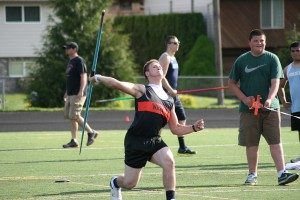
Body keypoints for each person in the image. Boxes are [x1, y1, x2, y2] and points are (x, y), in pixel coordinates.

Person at [89, 59, 205, 200]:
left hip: (154, 140)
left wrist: (193, 128)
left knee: (169, 161)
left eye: (159, 66)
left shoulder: (169, 100)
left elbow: (175, 128)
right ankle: (115, 183)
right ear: (147, 73)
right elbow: (116, 84)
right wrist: (97, 77)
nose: (159, 67)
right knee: (130, 183)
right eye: (154, 66)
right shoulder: (142, 90)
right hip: (136, 140)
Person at [228, 29, 299, 185]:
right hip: (249, 110)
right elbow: (231, 84)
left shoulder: (272, 58)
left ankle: (282, 174)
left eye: (262, 41)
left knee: (275, 142)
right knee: (252, 144)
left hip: (270, 109)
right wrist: (245, 99)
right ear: (249, 42)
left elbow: (276, 83)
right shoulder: (241, 60)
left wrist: (269, 100)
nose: (259, 43)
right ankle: (252, 175)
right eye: (256, 41)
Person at [158, 35, 196, 155]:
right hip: (165, 93)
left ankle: (182, 147)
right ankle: (153, 144)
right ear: (168, 44)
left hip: (173, 94)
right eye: (174, 43)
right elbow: (161, 76)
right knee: (160, 121)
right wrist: (169, 89)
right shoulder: (165, 57)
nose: (177, 44)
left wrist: (173, 91)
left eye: (178, 42)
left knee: (181, 118)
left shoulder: (173, 58)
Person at [63, 42, 98, 148]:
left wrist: (81, 91)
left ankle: (91, 132)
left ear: (74, 49)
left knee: (75, 115)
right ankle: (74, 140)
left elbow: (83, 76)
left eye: (68, 48)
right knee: (71, 117)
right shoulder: (70, 62)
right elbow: (70, 79)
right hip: (71, 93)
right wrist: (66, 92)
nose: (66, 50)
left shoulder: (79, 60)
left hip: (78, 93)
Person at [278, 41, 300, 164]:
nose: (295, 53)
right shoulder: (287, 69)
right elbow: (280, 86)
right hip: (296, 107)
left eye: (298, 50)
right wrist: (284, 101)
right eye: (293, 51)